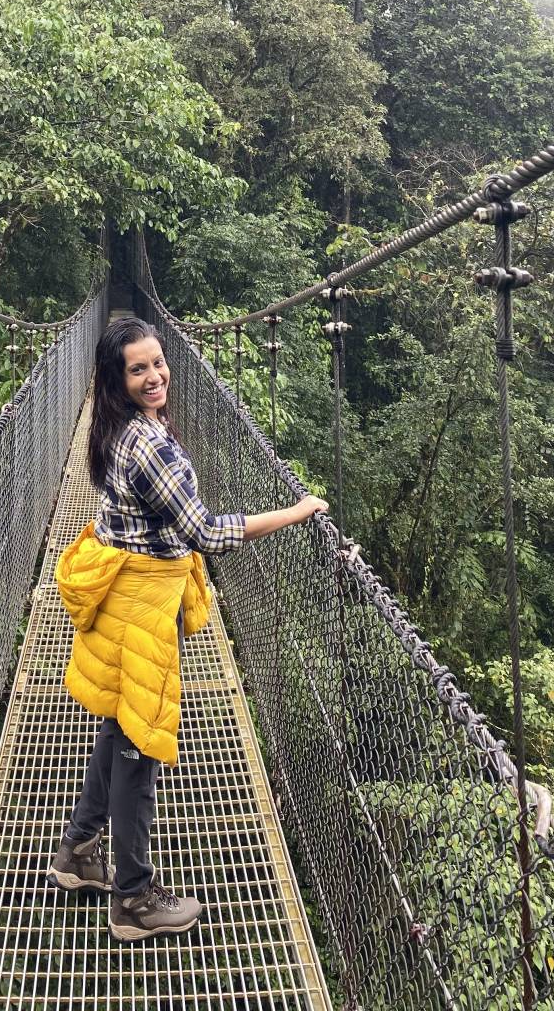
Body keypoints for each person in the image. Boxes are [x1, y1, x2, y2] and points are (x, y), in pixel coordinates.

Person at [49, 315, 329, 942]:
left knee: (120, 722)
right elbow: (204, 532)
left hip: (124, 596)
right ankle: (132, 899)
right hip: (145, 608)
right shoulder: (151, 446)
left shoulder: (116, 428)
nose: (155, 376)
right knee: (140, 747)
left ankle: (78, 854)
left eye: (158, 362)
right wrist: (297, 510)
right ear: (118, 380)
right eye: (138, 368)